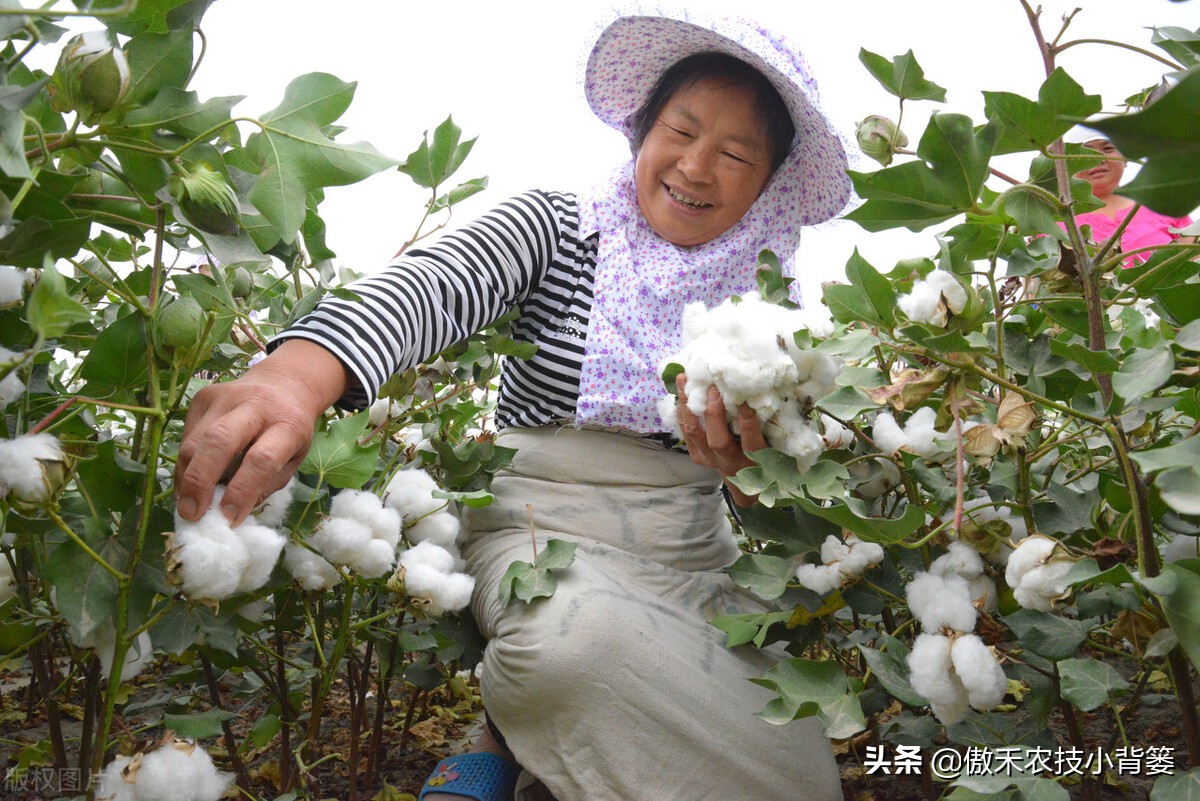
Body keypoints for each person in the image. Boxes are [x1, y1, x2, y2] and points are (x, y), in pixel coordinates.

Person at [175, 11, 852, 801]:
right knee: (571, 653)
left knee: (790, 758)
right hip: (544, 541)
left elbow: (785, 488)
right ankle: (511, 725)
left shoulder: (774, 309)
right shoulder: (556, 228)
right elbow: (433, 285)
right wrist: (294, 377)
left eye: (736, 154)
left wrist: (749, 472)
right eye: (682, 130)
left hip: (697, 563)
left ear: (768, 181)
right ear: (643, 130)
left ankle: (515, 749)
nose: (697, 167)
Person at [1067, 135, 1193, 267]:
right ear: (1064, 163)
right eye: (1086, 152)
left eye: (1108, 148)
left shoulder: (1165, 205)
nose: (1099, 158)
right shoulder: (1054, 218)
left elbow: (1194, 266)